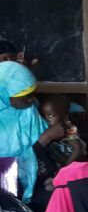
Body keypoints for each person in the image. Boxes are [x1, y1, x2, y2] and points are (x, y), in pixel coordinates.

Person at [0, 61, 65, 204]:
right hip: (10, 189)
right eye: (25, 95)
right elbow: (7, 166)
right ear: (4, 93)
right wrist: (46, 138)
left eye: (32, 93)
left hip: (40, 176)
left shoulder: (28, 110)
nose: (32, 99)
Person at [37, 94, 86, 170]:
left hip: (72, 163)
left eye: (51, 116)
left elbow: (77, 149)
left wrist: (65, 168)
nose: (46, 120)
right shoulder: (46, 128)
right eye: (43, 116)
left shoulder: (69, 128)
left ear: (65, 116)